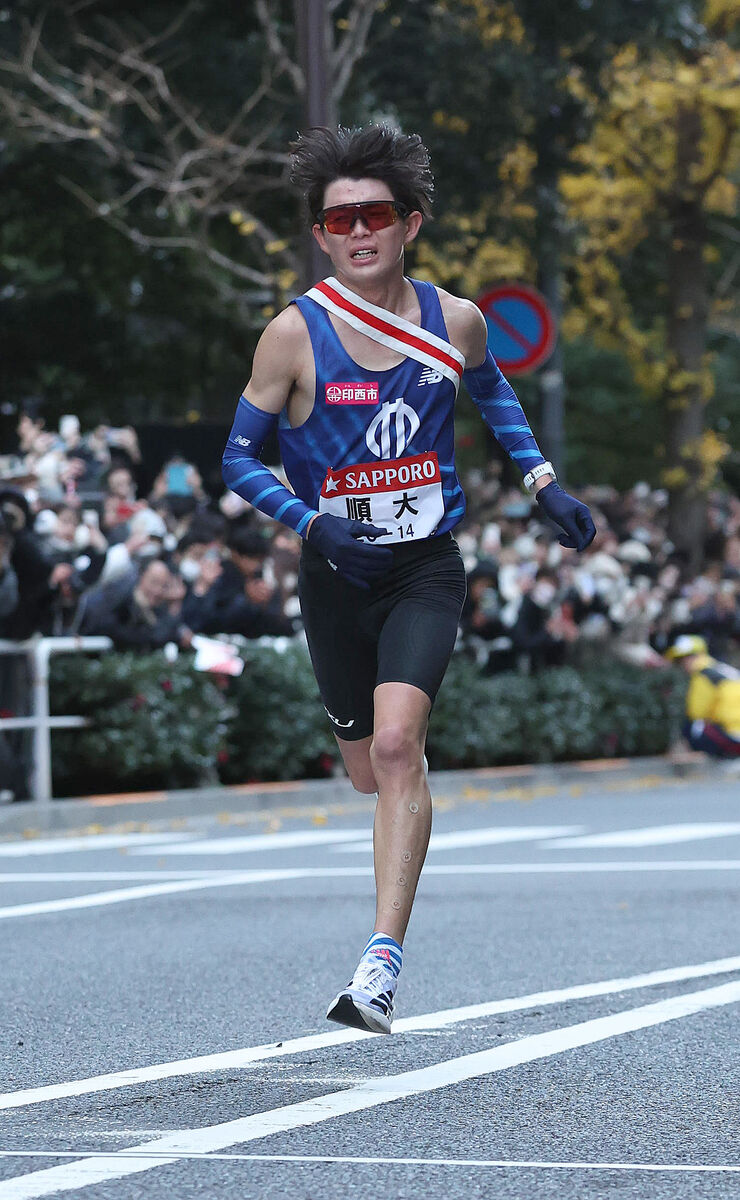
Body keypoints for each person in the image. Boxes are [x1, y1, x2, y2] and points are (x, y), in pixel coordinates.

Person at [222, 124, 596, 1034]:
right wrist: (314, 525)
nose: (358, 232)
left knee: (396, 747)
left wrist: (541, 480)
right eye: (339, 218)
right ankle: (402, 787)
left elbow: (494, 389)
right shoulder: (294, 334)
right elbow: (238, 458)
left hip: (427, 567)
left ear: (410, 224)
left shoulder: (452, 320)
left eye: (375, 215)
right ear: (322, 234)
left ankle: (380, 966)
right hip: (335, 571)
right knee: (367, 769)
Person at [665, 635, 740, 760]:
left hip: (733, 735)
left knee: (692, 726)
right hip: (734, 730)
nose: (683, 664)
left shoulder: (702, 675)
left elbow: (697, 712)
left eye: (685, 658)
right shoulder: (722, 669)